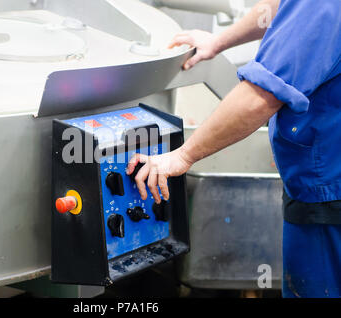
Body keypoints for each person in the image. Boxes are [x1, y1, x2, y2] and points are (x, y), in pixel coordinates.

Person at [127, 0, 340, 298]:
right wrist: (218, 41)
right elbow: (279, 7)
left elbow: (261, 96)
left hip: (328, 194)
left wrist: (182, 155)